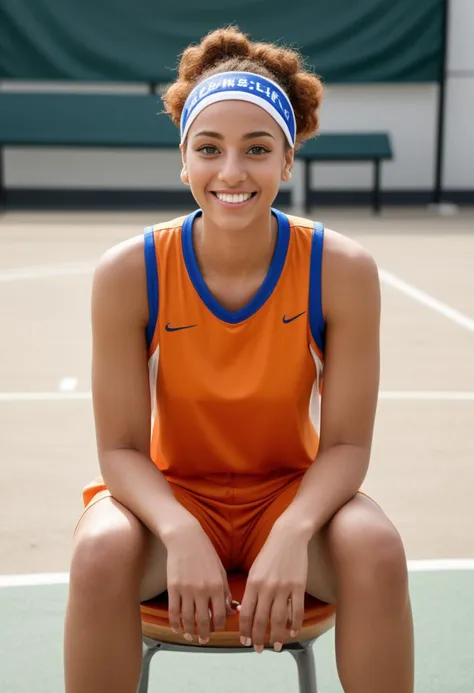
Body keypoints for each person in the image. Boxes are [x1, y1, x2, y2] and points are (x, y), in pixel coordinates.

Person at [64, 25, 414, 693]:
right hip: (172, 496)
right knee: (100, 547)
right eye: (209, 149)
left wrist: (291, 529)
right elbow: (119, 450)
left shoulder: (338, 269)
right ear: (183, 159)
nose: (231, 172)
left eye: (257, 150)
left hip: (290, 495)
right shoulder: (129, 272)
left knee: (376, 545)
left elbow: (344, 443)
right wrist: (179, 527)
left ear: (287, 161)